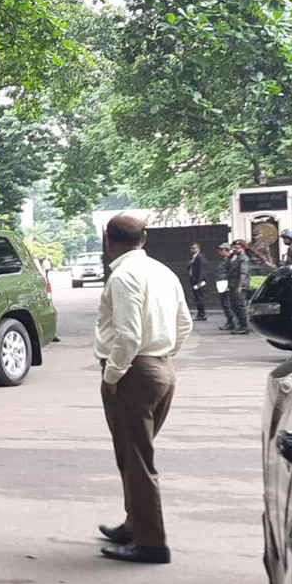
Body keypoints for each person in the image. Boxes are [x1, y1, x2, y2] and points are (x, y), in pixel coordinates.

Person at [94, 214, 193, 564]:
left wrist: (112, 376)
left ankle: (151, 543)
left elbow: (129, 335)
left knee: (136, 459)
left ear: (108, 241)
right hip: (161, 367)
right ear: (144, 238)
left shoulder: (123, 276)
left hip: (134, 371)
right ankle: (135, 524)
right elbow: (185, 323)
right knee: (133, 454)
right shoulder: (162, 272)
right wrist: (165, 355)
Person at [225, 240, 251, 335]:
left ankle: (244, 327)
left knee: (240, 307)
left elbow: (243, 274)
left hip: (239, 287)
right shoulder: (236, 258)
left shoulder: (243, 259)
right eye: (234, 247)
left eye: (237, 247)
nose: (234, 249)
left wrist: (240, 286)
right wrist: (229, 257)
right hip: (233, 285)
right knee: (235, 306)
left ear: (243, 248)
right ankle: (241, 325)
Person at [215, 243, 236, 331]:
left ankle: (231, 323)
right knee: (224, 304)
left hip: (226, 283)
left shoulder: (230, 260)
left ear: (227, 250)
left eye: (221, 250)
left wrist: (229, 285)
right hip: (221, 283)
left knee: (227, 304)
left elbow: (231, 273)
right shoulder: (224, 260)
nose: (219, 252)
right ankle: (230, 321)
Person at [187, 243, 207, 321]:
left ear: (198, 248)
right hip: (194, 280)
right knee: (197, 297)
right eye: (191, 248)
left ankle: (201, 314)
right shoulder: (193, 258)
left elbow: (202, 270)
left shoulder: (200, 257)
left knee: (199, 297)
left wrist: (199, 281)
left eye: (194, 248)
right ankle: (200, 313)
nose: (192, 250)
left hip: (198, 281)